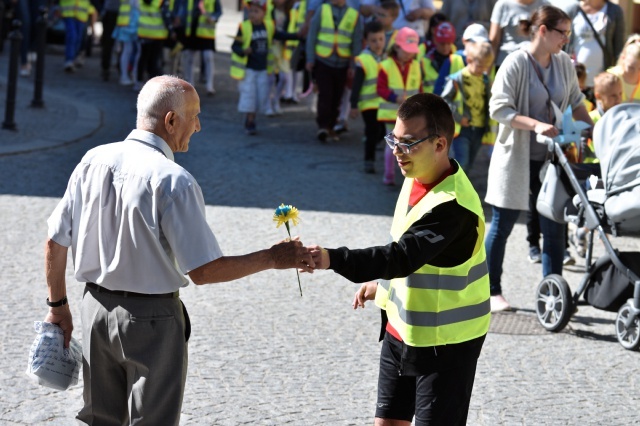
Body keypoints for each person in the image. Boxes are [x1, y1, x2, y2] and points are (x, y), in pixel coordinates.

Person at [43, 75, 314, 425]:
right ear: (171, 121)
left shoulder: (92, 160)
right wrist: (272, 258)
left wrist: (57, 306)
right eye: (195, 116)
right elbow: (204, 270)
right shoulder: (173, 180)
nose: (199, 126)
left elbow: (54, 241)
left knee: (99, 419)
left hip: (94, 309)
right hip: (152, 319)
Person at [308, 93, 490, 426]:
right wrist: (385, 289)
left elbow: (401, 257)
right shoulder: (416, 176)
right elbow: (415, 258)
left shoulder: (454, 207)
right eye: (394, 139)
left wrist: (330, 258)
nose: (396, 152)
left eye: (408, 143)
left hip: (447, 343)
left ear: (440, 144)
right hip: (401, 329)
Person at [485, 5, 593, 312]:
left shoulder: (563, 64)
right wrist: (535, 124)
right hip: (515, 157)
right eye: (563, 33)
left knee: (554, 226)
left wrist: (598, 130)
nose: (566, 40)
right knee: (502, 224)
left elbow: (576, 101)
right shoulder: (515, 62)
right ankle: (492, 291)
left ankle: (553, 295)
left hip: (552, 159)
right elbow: (499, 109)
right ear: (543, 31)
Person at [231, 0, 298, 134]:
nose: (252, 14)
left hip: (263, 69)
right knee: (250, 95)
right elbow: (235, 46)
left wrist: (297, 36)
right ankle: (250, 121)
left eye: (256, 11)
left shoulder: (268, 26)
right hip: (249, 69)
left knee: (260, 96)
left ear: (264, 13)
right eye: (251, 11)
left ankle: (252, 117)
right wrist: (243, 51)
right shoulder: (244, 27)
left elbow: (280, 35)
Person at [305, 0, 363, 142]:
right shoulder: (322, 10)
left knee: (337, 96)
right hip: (323, 60)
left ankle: (332, 126)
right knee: (325, 94)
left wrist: (353, 65)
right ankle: (323, 126)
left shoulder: (353, 15)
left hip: (342, 63)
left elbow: (356, 42)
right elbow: (312, 35)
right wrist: (310, 58)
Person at [377, 26, 422, 186]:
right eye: (406, 49)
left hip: (410, 115)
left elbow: (420, 88)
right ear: (397, 47)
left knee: (411, 146)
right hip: (391, 113)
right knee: (392, 146)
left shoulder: (416, 65)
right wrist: (394, 97)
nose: (409, 53)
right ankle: (388, 175)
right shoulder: (385, 65)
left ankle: (410, 177)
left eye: (411, 50)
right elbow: (380, 88)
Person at [441, 41, 494, 173]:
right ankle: (453, 189)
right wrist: (458, 117)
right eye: (480, 66)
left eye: (486, 67)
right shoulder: (457, 79)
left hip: (479, 128)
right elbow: (444, 101)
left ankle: (462, 190)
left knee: (469, 163)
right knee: (462, 162)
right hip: (462, 129)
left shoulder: (486, 79)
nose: (483, 70)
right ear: (469, 60)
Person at [349, 20, 386, 174]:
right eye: (373, 40)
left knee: (382, 131)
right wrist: (353, 105)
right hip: (368, 103)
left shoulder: (387, 57)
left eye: (381, 39)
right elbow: (356, 85)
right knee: (372, 131)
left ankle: (373, 146)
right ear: (366, 41)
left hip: (384, 103)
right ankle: (368, 160)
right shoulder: (363, 60)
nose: (378, 43)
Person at [567, 0, 625, 90]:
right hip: (575, 80)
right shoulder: (572, 10)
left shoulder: (615, 11)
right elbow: (563, 44)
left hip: (602, 81)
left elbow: (619, 48)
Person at [177, 0, 223, 96]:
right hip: (191, 31)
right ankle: (190, 83)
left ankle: (209, 86)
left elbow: (218, 11)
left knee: (208, 57)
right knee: (189, 57)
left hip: (206, 32)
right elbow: (182, 11)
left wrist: (213, 18)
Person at [489, 0, 546, 69]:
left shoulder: (545, 6)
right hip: (506, 63)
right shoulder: (503, 4)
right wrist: (487, 71)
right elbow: (494, 40)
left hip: (535, 65)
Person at [421, 21, 456, 94]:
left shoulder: (458, 60)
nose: (445, 47)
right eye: (442, 44)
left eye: (448, 43)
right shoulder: (425, 62)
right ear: (435, 41)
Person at [112, 0, 141, 86]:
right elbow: (137, 5)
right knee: (136, 51)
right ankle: (133, 76)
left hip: (127, 21)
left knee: (128, 50)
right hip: (133, 21)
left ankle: (127, 76)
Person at [607, 35, 640, 103]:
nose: (635, 72)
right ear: (623, 58)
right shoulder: (611, 77)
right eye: (631, 68)